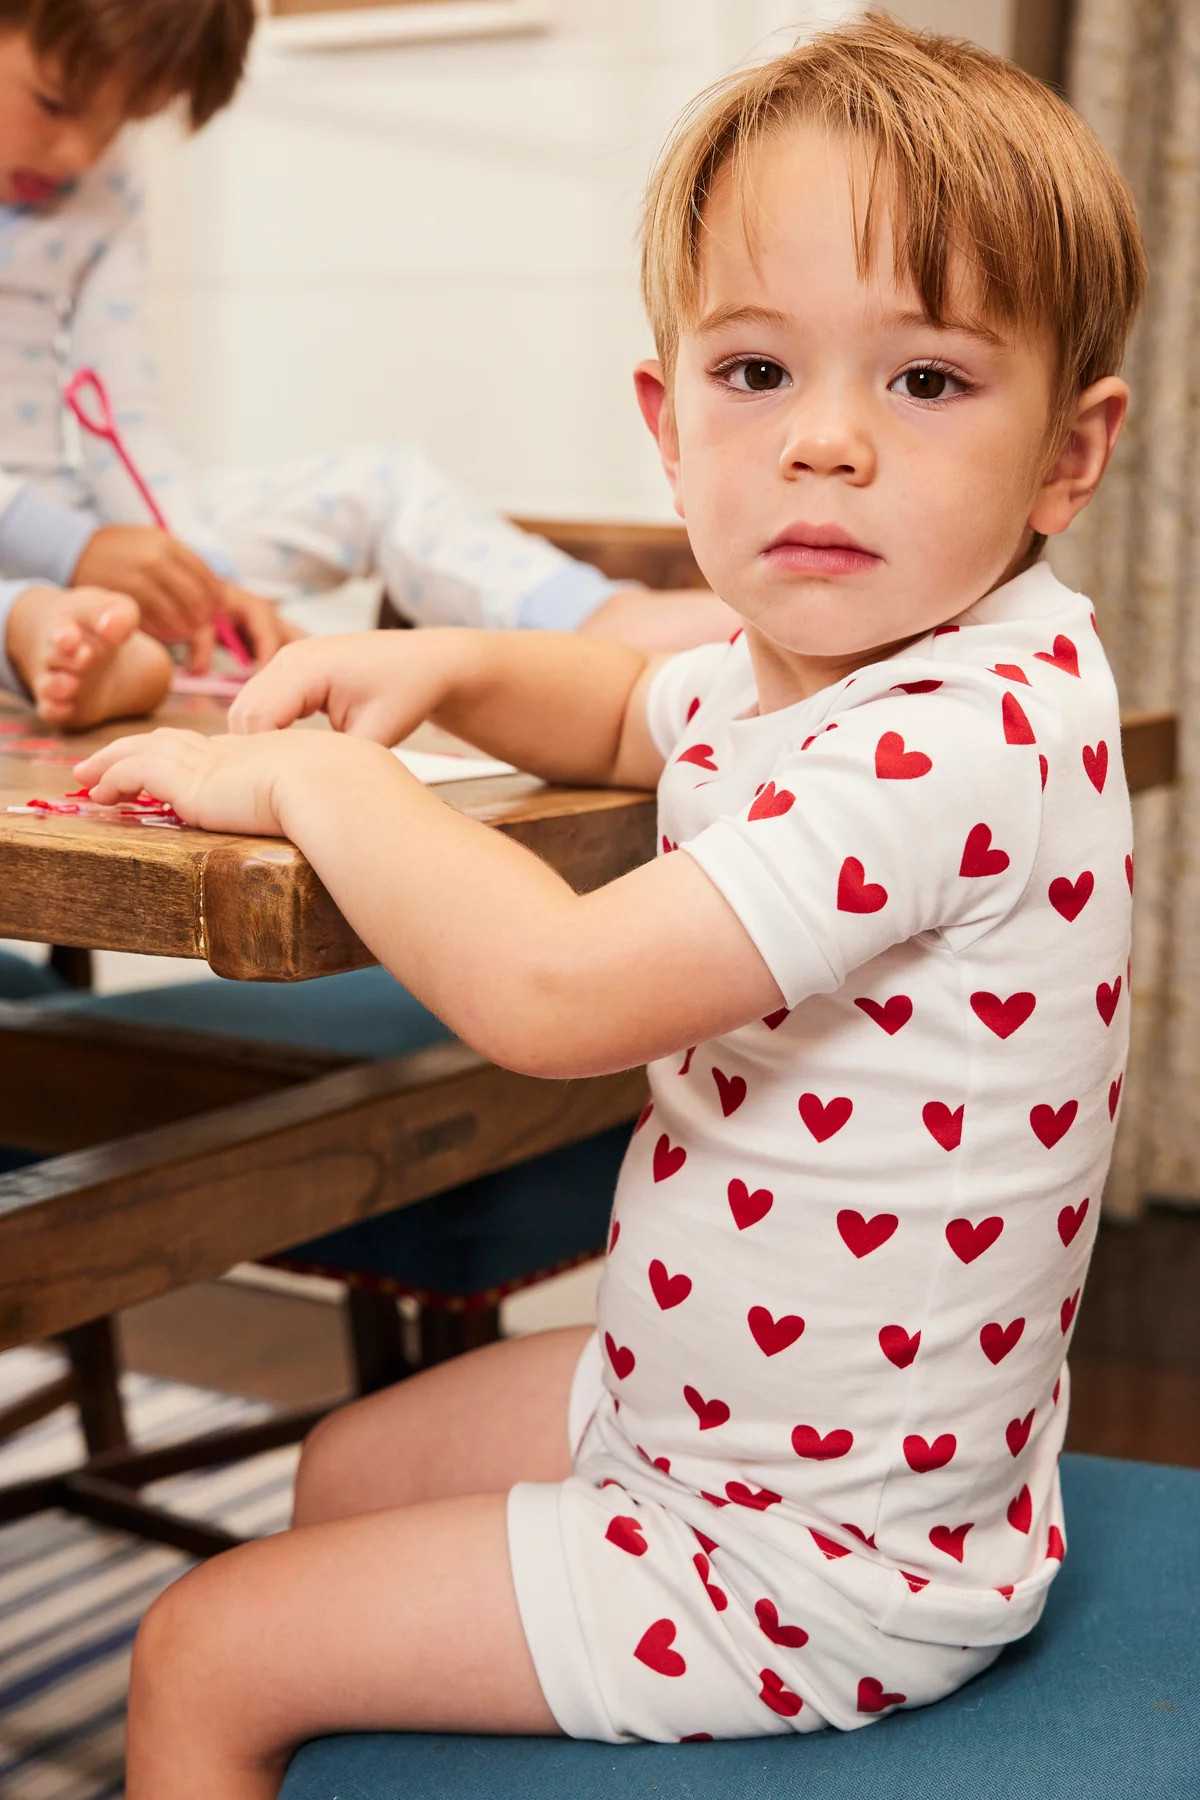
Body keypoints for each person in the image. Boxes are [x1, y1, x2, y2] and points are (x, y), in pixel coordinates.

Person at [76, 13, 1143, 1790]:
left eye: (926, 381)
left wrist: (328, 785)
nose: (824, 444)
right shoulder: (830, 661)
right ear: (669, 417)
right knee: (343, 1476)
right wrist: (427, 668)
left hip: (810, 1555)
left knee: (204, 1647)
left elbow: (554, 998)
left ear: (1069, 454)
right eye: (756, 374)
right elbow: (629, 696)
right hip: (723, 1408)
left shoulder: (958, 740)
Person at [0, 0, 735, 739]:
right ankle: (57, 635)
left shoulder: (105, 187)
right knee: (68, 621)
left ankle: (593, 613)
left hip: (84, 524)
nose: (79, 155)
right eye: (56, 103)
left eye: (122, 120)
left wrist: (198, 571)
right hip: (48, 545)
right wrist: (74, 550)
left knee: (384, 485)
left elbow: (121, 416)